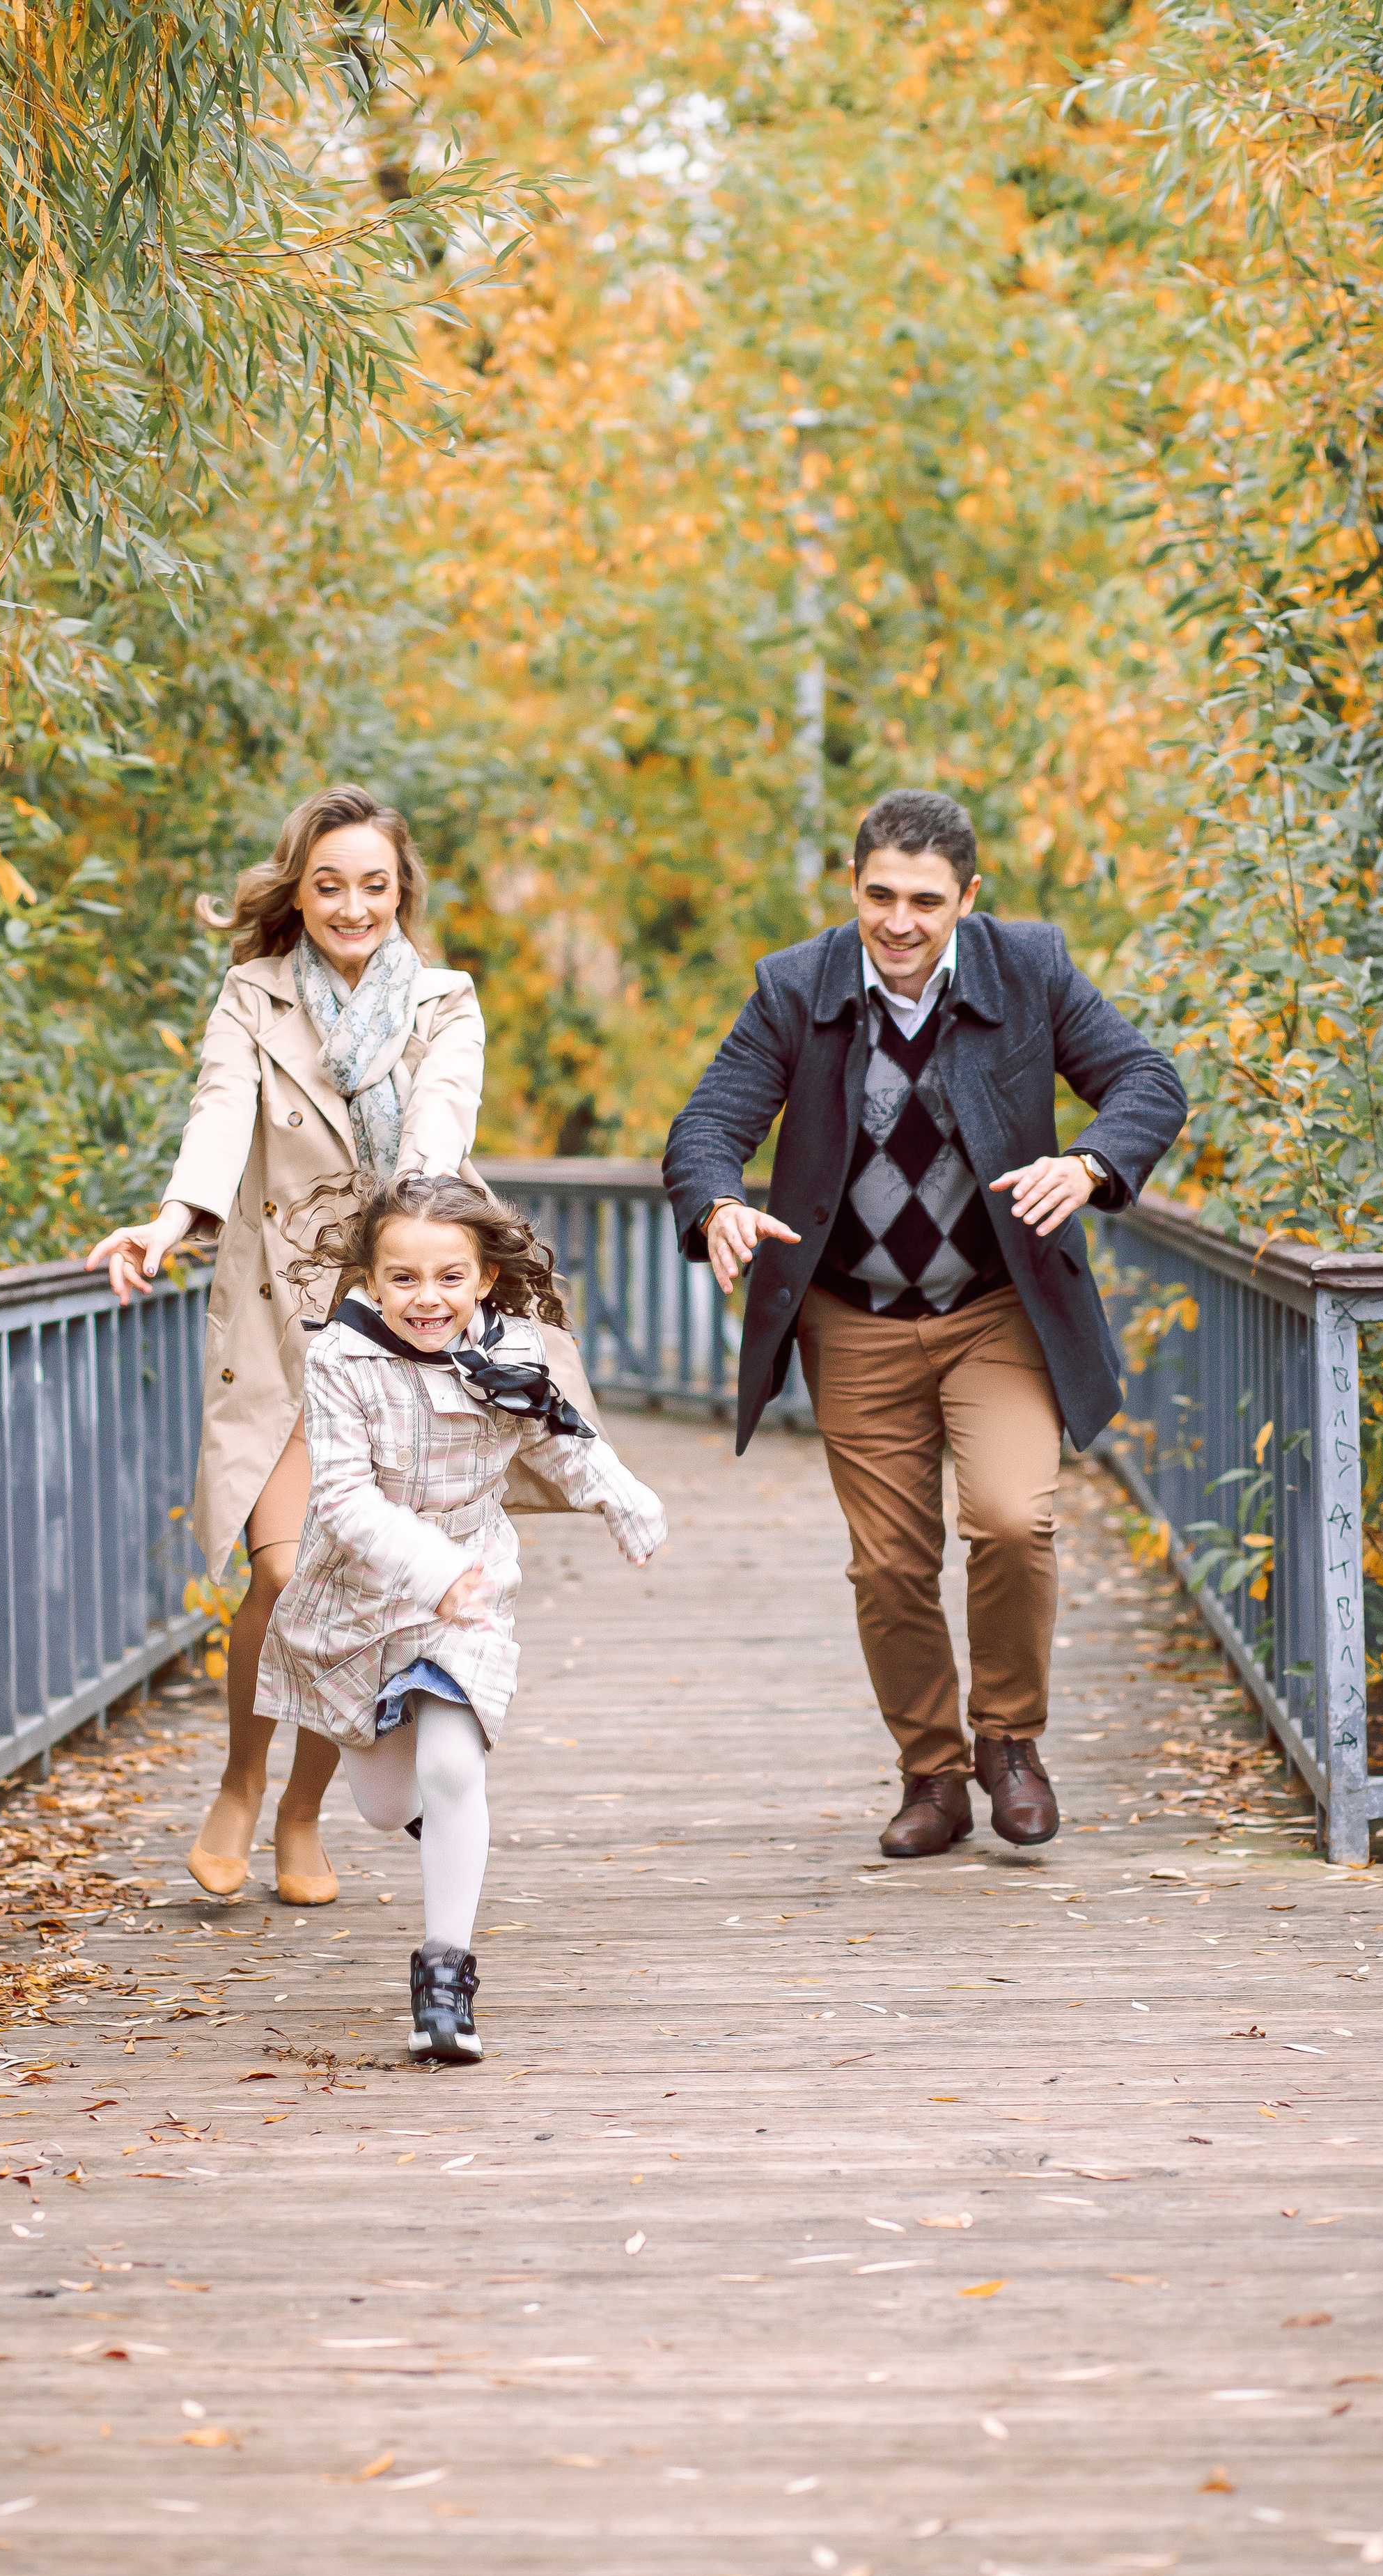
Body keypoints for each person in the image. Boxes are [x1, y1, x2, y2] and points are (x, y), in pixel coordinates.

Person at [662, 787, 1187, 1859]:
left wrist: (1090, 1164)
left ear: (968, 898)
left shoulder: (1028, 968)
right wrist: (715, 1201)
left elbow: (1146, 1077)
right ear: (852, 888)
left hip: (994, 1307)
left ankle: (1011, 1741)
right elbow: (710, 1120)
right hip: (853, 1318)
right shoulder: (793, 989)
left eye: (926, 901)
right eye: (880, 896)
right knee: (890, 1567)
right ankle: (933, 1777)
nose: (900, 922)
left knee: (1011, 1518)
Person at [86, 785, 485, 1907]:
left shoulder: (445, 1002)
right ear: (298, 894)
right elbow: (220, 1117)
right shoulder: (252, 999)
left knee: (352, 1583)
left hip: (395, 1320)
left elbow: (445, 1111)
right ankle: (242, 1779)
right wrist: (168, 1224)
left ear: (401, 890)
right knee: (285, 1569)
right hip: (278, 1324)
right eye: (328, 884)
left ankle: (307, 1812)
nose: (353, 905)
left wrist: (424, 1192)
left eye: (373, 884)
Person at [256, 1174, 666, 2061]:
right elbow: (344, 1500)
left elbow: (561, 1437)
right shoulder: (340, 1360)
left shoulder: (513, 1351)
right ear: (369, 1279)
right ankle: (437, 1819)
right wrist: (427, 1570)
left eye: (449, 1277)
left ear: (483, 1278)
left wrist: (622, 1498)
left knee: (450, 1769)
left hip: (471, 1587)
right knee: (383, 1804)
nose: (426, 1298)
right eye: (402, 1278)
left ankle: (445, 1979)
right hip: (360, 1597)